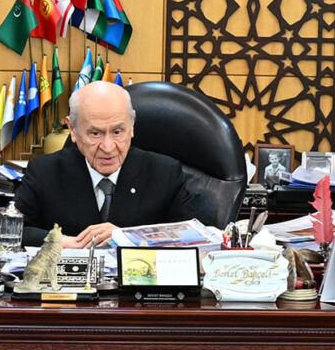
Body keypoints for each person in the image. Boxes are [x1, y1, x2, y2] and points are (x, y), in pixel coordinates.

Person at [14, 80, 197, 249]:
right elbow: (7, 230)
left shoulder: (165, 173)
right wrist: (62, 242)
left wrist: (127, 237)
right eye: (95, 134)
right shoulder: (45, 172)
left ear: (132, 127)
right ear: (73, 130)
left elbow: (191, 237)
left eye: (117, 132)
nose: (108, 148)